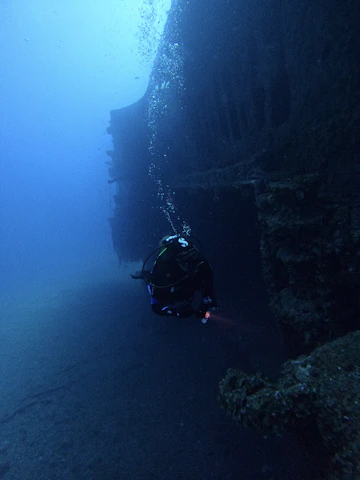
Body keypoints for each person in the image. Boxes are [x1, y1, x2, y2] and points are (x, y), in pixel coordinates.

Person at [131, 234, 216, 320]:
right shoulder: (162, 272)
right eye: (186, 261)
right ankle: (145, 275)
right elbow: (156, 306)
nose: (191, 263)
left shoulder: (199, 263)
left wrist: (208, 297)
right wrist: (177, 312)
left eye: (192, 257)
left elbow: (208, 277)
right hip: (172, 284)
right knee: (154, 285)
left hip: (182, 282)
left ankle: (147, 275)